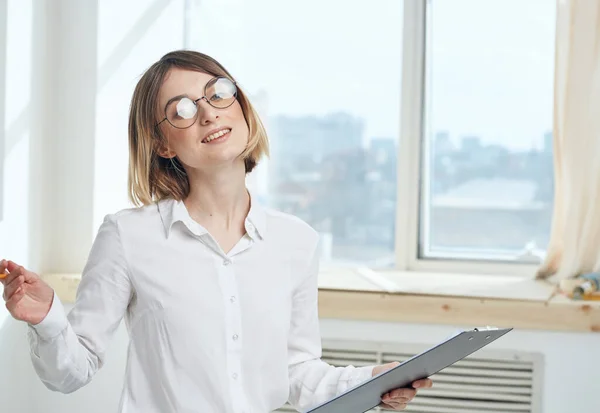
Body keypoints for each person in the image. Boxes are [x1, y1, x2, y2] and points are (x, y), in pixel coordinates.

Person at [0, 50, 432, 413]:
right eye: (181, 110)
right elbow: (73, 372)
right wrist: (49, 319)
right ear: (164, 144)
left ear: (241, 106)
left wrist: (374, 380)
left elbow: (297, 372)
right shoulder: (127, 236)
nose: (207, 113)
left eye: (218, 93)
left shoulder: (296, 241)